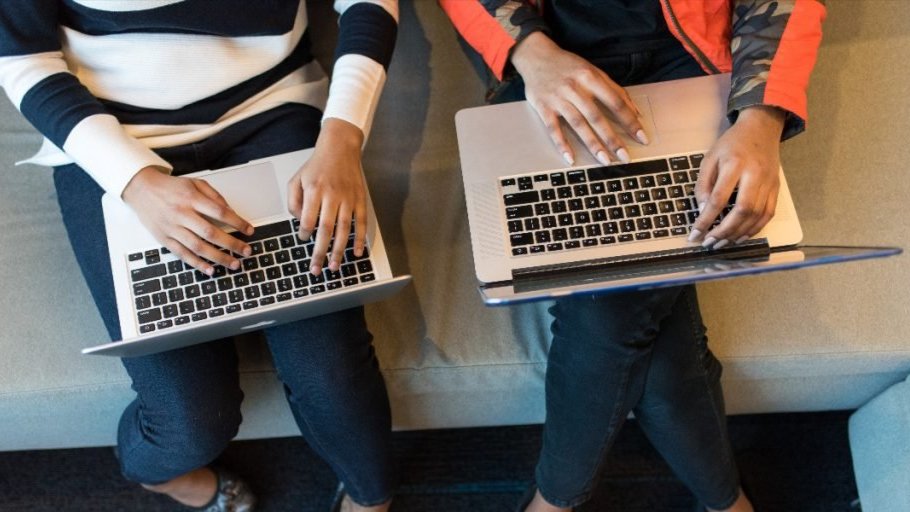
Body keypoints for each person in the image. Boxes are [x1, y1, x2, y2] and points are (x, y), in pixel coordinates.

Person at [0, 1, 399, 511]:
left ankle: (371, 499)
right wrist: (135, 181)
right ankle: (160, 477)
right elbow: (24, 58)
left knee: (332, 374)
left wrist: (343, 137)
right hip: (110, 127)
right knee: (189, 419)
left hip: (271, 105)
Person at [439, 1, 825, 511]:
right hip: (551, 62)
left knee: (608, 313)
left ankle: (555, 501)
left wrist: (761, 117)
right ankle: (725, 501)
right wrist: (531, 53)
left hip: (691, 66)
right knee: (647, 339)